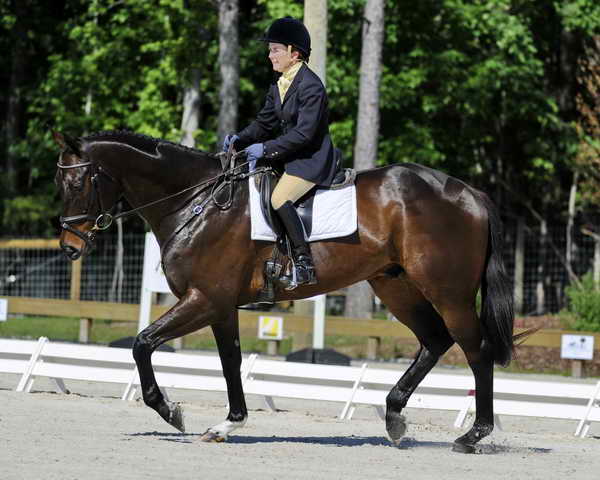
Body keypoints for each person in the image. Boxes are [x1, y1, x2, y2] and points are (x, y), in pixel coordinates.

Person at [223, 16, 338, 289]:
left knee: (278, 198)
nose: (270, 54)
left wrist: (265, 148)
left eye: (275, 49)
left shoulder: (311, 86)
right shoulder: (279, 84)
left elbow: (304, 134)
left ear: (294, 53)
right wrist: (241, 138)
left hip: (312, 160)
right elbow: (265, 122)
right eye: (270, 49)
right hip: (289, 157)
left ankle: (303, 263)